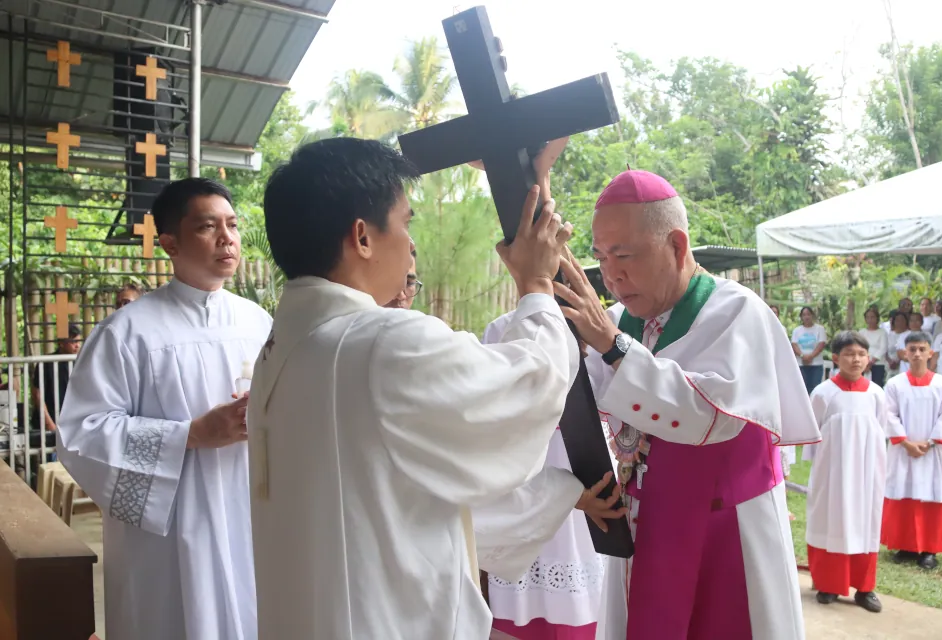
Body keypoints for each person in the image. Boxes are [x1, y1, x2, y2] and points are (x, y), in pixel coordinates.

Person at [247, 138, 617, 640]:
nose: (410, 243)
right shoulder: (379, 343)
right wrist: (535, 285)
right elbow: (528, 387)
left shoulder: (281, 350)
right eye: (406, 223)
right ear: (362, 237)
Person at [554, 169, 821, 640]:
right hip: (645, 524)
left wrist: (614, 347)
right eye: (601, 257)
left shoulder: (737, 311)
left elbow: (705, 415)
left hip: (728, 530)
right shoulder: (618, 319)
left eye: (624, 255)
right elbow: (584, 394)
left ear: (677, 246)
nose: (612, 275)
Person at [56, 178, 272, 640]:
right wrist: (191, 434)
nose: (227, 238)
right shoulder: (127, 332)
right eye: (208, 227)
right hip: (172, 531)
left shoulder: (260, 323)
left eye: (232, 225)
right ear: (169, 241)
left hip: (249, 512)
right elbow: (82, 434)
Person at [478, 311, 606, 640]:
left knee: (581, 582)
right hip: (526, 464)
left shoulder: (593, 324)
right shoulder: (501, 327)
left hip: (582, 459)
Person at [804, 331, 886, 613]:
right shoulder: (823, 393)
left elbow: (880, 431)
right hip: (833, 471)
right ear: (836, 358)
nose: (856, 359)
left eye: (862, 354)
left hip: (867, 472)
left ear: (868, 359)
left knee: (866, 522)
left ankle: (865, 588)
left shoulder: (877, 394)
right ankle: (828, 584)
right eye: (850, 354)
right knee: (831, 519)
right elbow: (812, 432)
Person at [882, 331, 942, 570]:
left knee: (932, 494)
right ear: (905, 353)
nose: (917, 354)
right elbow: (887, 414)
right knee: (903, 493)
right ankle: (905, 546)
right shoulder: (894, 384)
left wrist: (931, 442)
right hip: (903, 450)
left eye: (921, 349)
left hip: (932, 452)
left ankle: (929, 549)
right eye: (912, 349)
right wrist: (906, 442)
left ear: (930, 353)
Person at [31, 322, 82, 433]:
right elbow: (37, 395)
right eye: (73, 342)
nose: (77, 345)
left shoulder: (81, 362)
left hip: (74, 424)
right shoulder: (46, 363)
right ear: (61, 343)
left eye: (79, 341)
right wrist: (50, 425)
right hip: (49, 422)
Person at [792, 306, 828, 394]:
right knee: (801, 389)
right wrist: (802, 356)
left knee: (815, 389)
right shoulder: (797, 330)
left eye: (808, 314)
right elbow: (794, 344)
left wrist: (810, 356)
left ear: (812, 315)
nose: (806, 317)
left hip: (816, 364)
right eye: (804, 315)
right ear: (801, 317)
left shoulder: (820, 329)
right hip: (801, 364)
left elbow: (821, 344)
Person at [861, 307, 889, 387]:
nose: (870, 320)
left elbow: (883, 348)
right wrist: (865, 360)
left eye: (872, 317)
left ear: (877, 318)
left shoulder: (882, 332)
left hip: (878, 363)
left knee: (877, 385)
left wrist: (871, 361)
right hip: (863, 363)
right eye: (868, 317)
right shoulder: (862, 332)